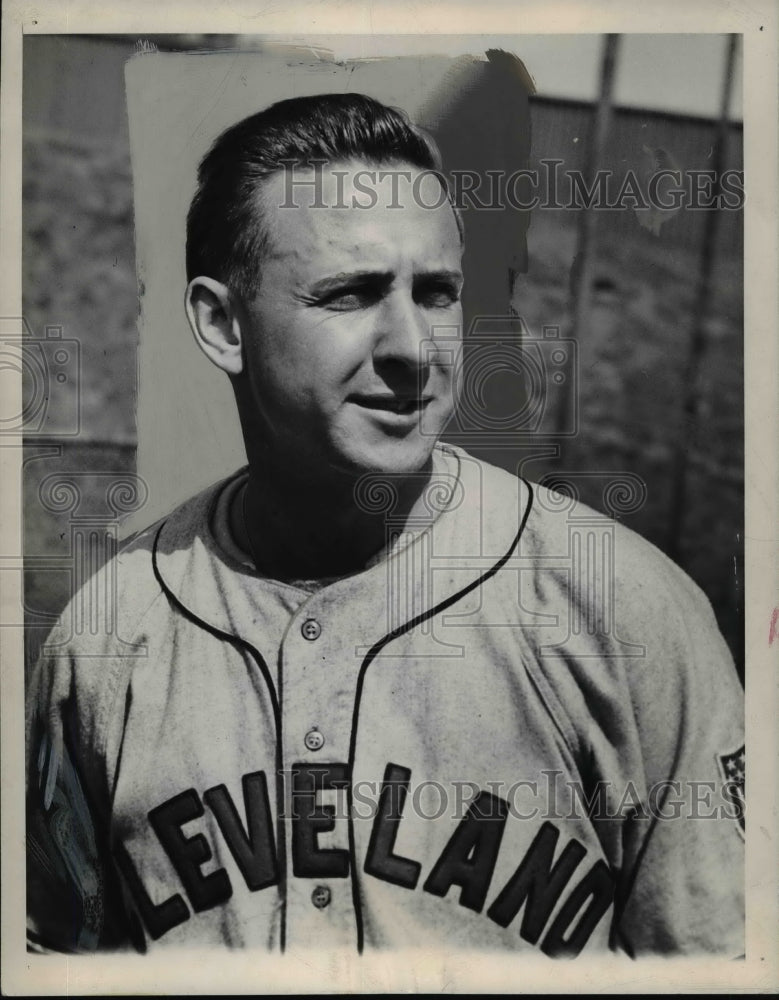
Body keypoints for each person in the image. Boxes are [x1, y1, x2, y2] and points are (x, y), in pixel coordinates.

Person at [26, 93, 744, 957]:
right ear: (222, 324)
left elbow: (718, 960)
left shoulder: (624, 614)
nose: (413, 346)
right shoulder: (110, 641)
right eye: (351, 293)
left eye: (436, 292)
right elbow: (57, 963)